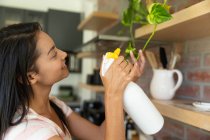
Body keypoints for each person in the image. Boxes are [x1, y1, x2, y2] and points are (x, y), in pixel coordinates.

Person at [0, 22, 145, 140]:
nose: (63, 54)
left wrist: (124, 87)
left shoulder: (54, 105)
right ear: (30, 76)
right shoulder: (30, 133)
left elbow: (100, 135)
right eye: (53, 54)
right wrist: (113, 94)